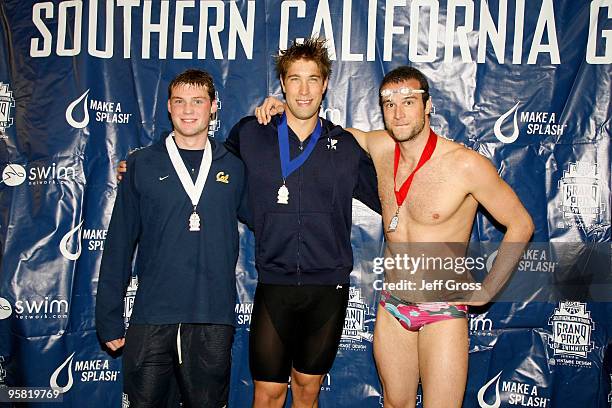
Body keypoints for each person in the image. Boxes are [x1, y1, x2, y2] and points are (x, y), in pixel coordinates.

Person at [255, 66, 534, 407]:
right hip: (393, 306)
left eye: (409, 101)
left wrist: (488, 289)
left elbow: (521, 223)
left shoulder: (465, 165)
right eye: (389, 103)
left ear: (428, 105)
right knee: (394, 404)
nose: (398, 112)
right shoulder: (380, 147)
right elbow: (324, 131)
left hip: (442, 308)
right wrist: (289, 109)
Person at [96, 69, 248, 407]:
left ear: (213, 107)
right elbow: (119, 244)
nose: (188, 110)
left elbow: (268, 220)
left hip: (212, 316)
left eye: (198, 101)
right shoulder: (142, 164)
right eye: (180, 101)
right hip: (152, 316)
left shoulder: (234, 167)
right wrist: (109, 317)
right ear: (168, 107)